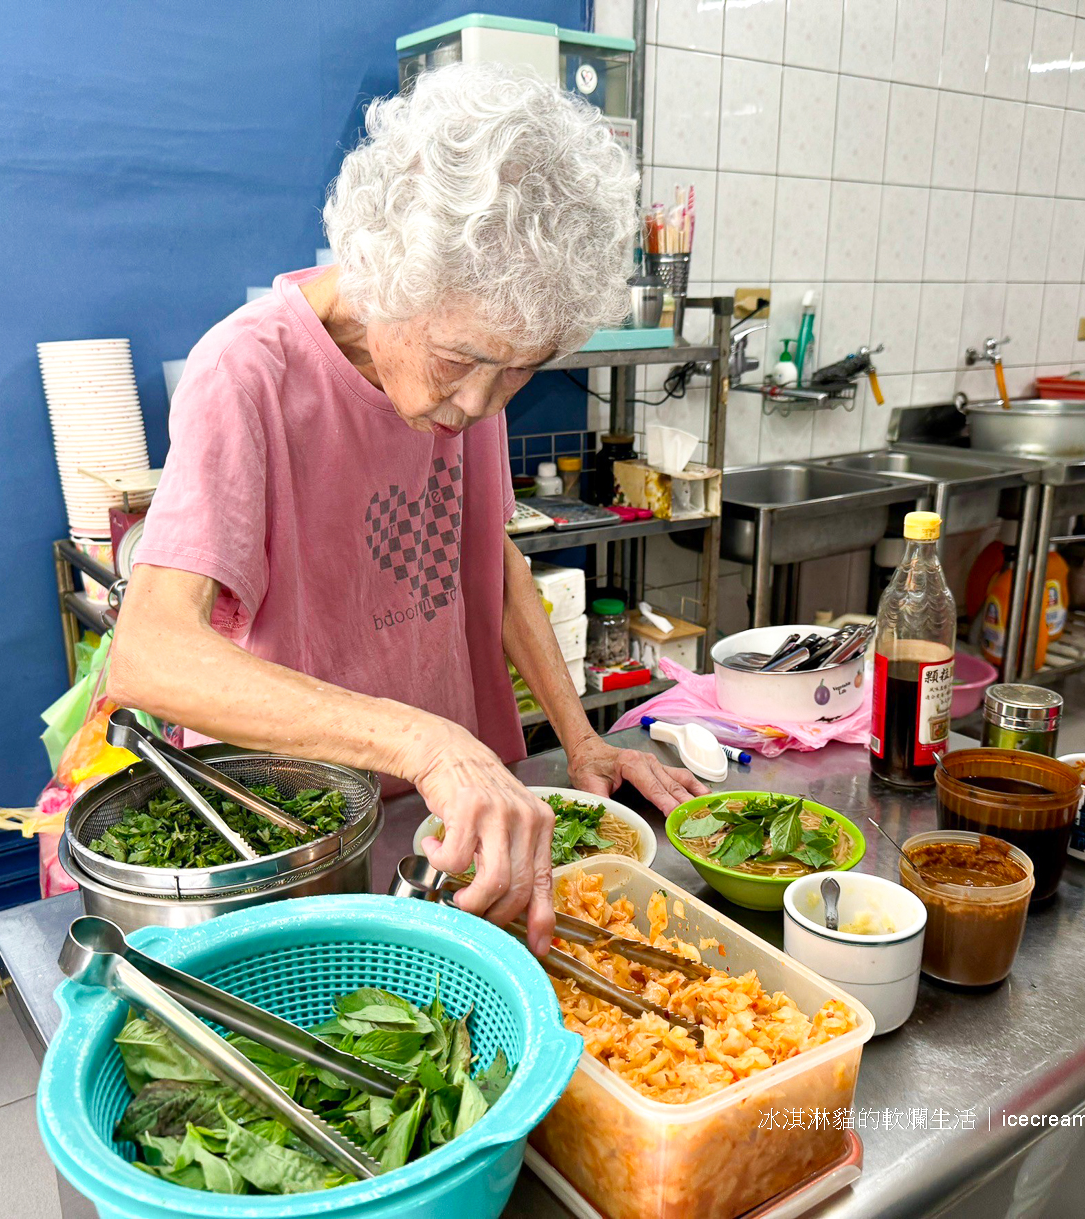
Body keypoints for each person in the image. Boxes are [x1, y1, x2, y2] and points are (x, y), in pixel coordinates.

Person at [108, 63, 707, 956]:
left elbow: (489, 559)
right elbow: (150, 652)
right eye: (464, 359)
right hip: (306, 844)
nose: (478, 405)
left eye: (520, 369)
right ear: (386, 274)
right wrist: (425, 742)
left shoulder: (474, 363)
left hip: (452, 815)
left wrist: (580, 739)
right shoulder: (246, 374)